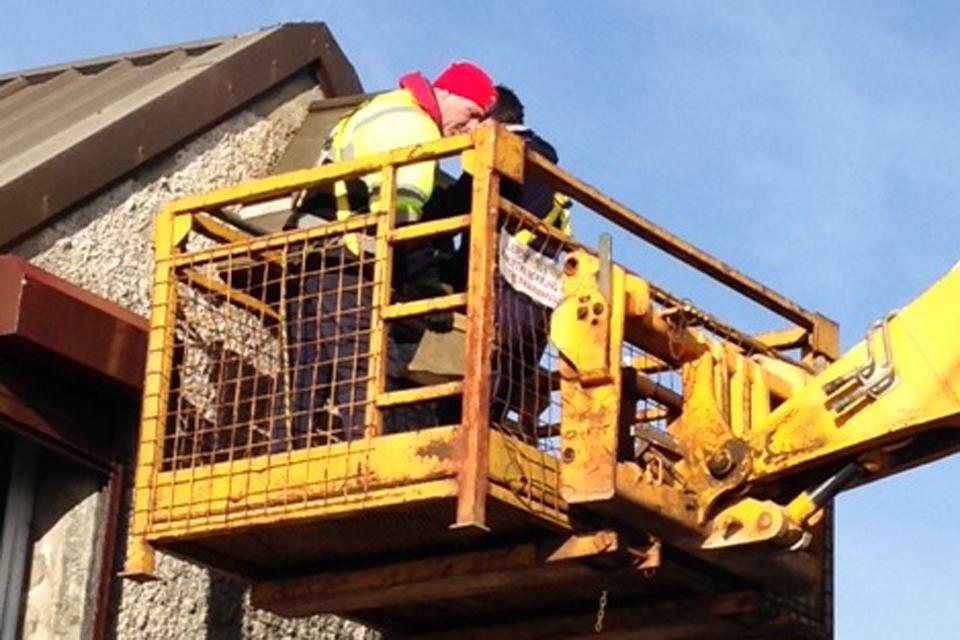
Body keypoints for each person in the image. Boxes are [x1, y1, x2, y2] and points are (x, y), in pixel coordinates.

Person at [276, 62, 496, 448]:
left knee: (306, 375)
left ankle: (280, 457)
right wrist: (426, 284)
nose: (473, 126)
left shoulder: (384, 109)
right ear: (447, 93)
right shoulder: (415, 127)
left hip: (315, 257)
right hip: (351, 262)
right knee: (361, 370)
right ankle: (370, 461)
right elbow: (402, 211)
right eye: (472, 112)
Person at [423, 86, 572, 438]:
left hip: (499, 289)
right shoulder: (544, 164)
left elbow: (454, 207)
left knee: (464, 400)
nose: (467, 130)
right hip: (538, 300)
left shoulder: (501, 153)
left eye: (474, 119)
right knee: (499, 390)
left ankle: (458, 442)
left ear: (488, 118)